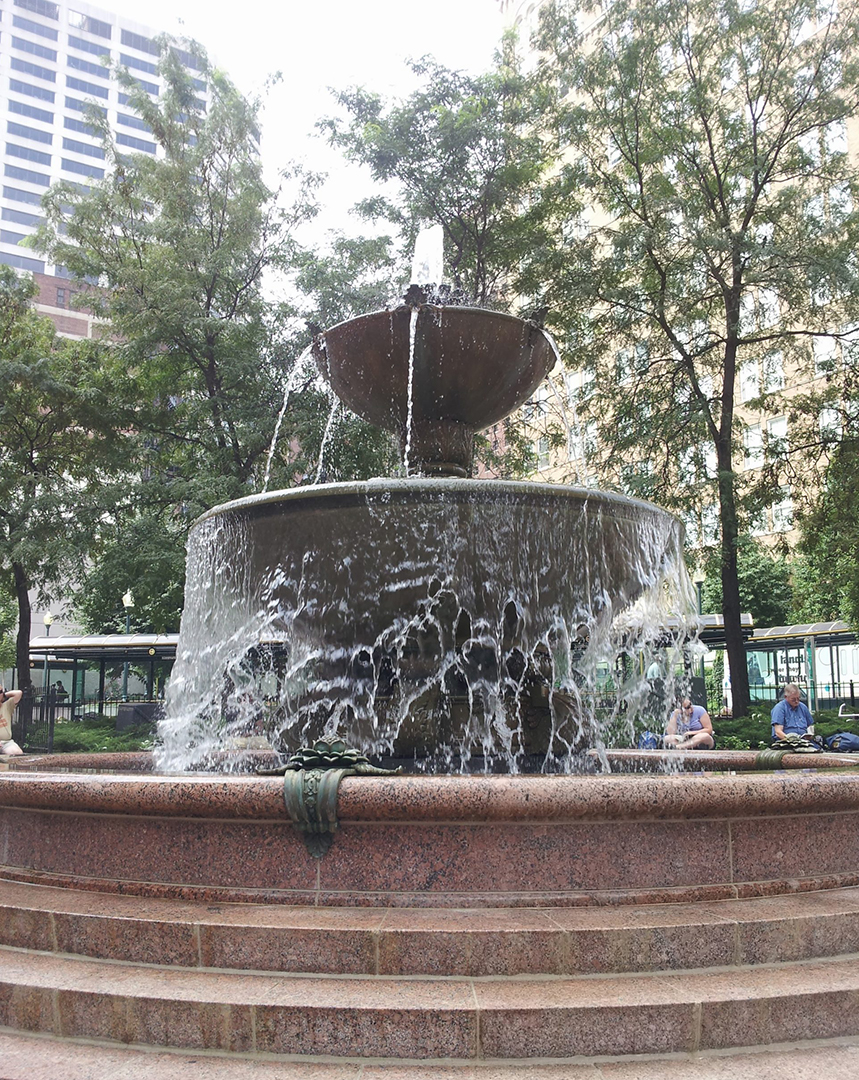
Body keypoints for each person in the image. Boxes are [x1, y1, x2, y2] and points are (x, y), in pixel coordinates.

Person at [0, 685, 24, 755]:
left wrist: (4, 695)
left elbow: (18, 693)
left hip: (6, 742)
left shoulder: (7, 706)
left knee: (17, 753)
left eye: (0, 692)